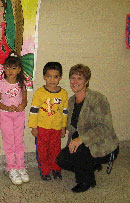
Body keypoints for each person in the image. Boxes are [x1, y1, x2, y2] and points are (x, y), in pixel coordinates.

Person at [56, 64, 119, 193]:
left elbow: (105, 128)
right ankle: (91, 166)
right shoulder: (71, 101)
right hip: (81, 141)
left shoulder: (98, 99)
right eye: (72, 78)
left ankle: (86, 180)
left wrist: (81, 139)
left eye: (79, 78)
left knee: (80, 154)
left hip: (102, 143)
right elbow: (70, 125)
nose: (75, 82)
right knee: (61, 159)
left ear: (87, 81)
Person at [28, 62, 68, 181]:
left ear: (60, 77)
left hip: (56, 129)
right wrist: (33, 127)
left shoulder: (63, 94)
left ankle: (56, 169)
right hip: (42, 128)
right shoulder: (40, 93)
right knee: (42, 151)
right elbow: (34, 111)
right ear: (44, 77)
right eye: (49, 76)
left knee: (55, 150)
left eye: (55, 76)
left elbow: (64, 112)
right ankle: (45, 171)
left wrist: (63, 127)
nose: (52, 80)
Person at [0, 52, 29, 185]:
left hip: (19, 116)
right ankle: (11, 168)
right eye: (8, 68)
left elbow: (25, 100)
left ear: (19, 69)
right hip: (6, 116)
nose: (10, 71)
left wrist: (22, 105)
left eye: (14, 68)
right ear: (4, 68)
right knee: (9, 142)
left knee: (19, 141)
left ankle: (21, 166)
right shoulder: (2, 84)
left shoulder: (22, 83)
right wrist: (6, 107)